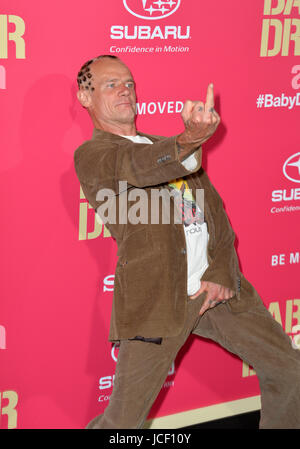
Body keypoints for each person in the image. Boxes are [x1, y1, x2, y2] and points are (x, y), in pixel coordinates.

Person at [74, 55, 300, 429]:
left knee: (290, 371)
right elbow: (140, 165)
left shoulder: (173, 148)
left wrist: (222, 271)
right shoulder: (94, 156)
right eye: (111, 84)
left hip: (218, 289)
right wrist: (190, 138)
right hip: (156, 298)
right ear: (85, 96)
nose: (125, 90)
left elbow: (217, 216)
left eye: (129, 82)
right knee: (123, 422)